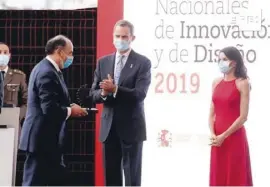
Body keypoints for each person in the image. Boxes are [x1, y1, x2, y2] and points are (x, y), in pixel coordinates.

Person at [19, 35, 88, 186]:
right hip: (41, 140)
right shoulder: (46, 72)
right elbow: (49, 108)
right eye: (70, 53)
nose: (71, 57)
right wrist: (71, 111)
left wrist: (70, 107)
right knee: (33, 182)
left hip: (48, 141)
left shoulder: (49, 69)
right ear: (59, 51)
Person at [90, 20, 151, 186]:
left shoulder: (143, 62)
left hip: (131, 127)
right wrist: (103, 92)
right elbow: (93, 94)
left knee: (132, 177)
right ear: (112, 37)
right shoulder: (103, 62)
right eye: (117, 36)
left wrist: (116, 89)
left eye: (124, 36)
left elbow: (140, 94)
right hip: (109, 128)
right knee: (111, 177)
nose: (120, 40)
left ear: (132, 38)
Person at [209, 46, 253, 186]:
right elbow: (211, 113)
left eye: (224, 59)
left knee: (235, 176)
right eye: (219, 59)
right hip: (217, 140)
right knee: (218, 176)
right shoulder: (216, 82)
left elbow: (243, 116)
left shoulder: (242, 83)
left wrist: (224, 135)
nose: (220, 62)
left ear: (234, 63)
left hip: (234, 138)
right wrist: (213, 134)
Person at [0, 42, 28, 123]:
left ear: (9, 55)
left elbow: (27, 101)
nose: (2, 55)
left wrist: (18, 115)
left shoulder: (19, 76)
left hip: (12, 123)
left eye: (5, 52)